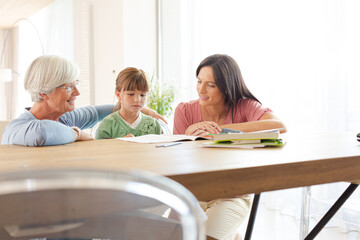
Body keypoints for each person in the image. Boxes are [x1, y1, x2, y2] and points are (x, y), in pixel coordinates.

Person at [173, 54, 286, 240]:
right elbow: (175, 160)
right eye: (199, 81)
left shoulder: (245, 107)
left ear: (227, 87)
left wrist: (222, 131)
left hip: (232, 195)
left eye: (211, 85)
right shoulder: (184, 110)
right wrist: (188, 136)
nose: (201, 90)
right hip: (194, 193)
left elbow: (279, 125)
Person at [1, 55, 165, 147]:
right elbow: (41, 133)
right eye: (69, 87)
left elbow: (99, 111)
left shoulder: (64, 118)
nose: (77, 92)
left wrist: (142, 109)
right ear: (44, 92)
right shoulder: (17, 128)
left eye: (76, 84)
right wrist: (77, 133)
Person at [95, 67, 162, 139]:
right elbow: (99, 150)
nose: (137, 100)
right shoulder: (107, 125)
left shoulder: (154, 125)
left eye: (142, 95)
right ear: (118, 95)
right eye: (131, 94)